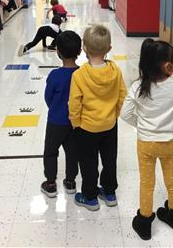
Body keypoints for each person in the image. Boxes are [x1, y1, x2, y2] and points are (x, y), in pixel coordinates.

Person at [121, 39, 173, 241]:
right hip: (170, 142)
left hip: (146, 143)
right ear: (167, 64)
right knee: (172, 180)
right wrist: (168, 119)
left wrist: (140, 124)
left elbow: (125, 114)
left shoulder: (138, 87)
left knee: (147, 183)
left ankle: (144, 222)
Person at [69, 25, 127, 211]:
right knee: (110, 160)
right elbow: (122, 95)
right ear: (109, 48)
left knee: (88, 162)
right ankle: (109, 193)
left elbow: (75, 103)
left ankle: (90, 196)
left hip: (86, 128)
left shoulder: (79, 75)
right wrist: (114, 114)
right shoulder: (115, 70)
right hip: (110, 126)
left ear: (84, 48)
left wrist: (76, 123)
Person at [41, 31, 82, 197]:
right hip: (75, 122)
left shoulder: (55, 75)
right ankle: (71, 181)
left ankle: (51, 183)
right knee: (73, 152)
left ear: (58, 52)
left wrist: (56, 108)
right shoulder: (83, 74)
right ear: (80, 51)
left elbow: (48, 97)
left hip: (56, 122)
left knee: (51, 151)